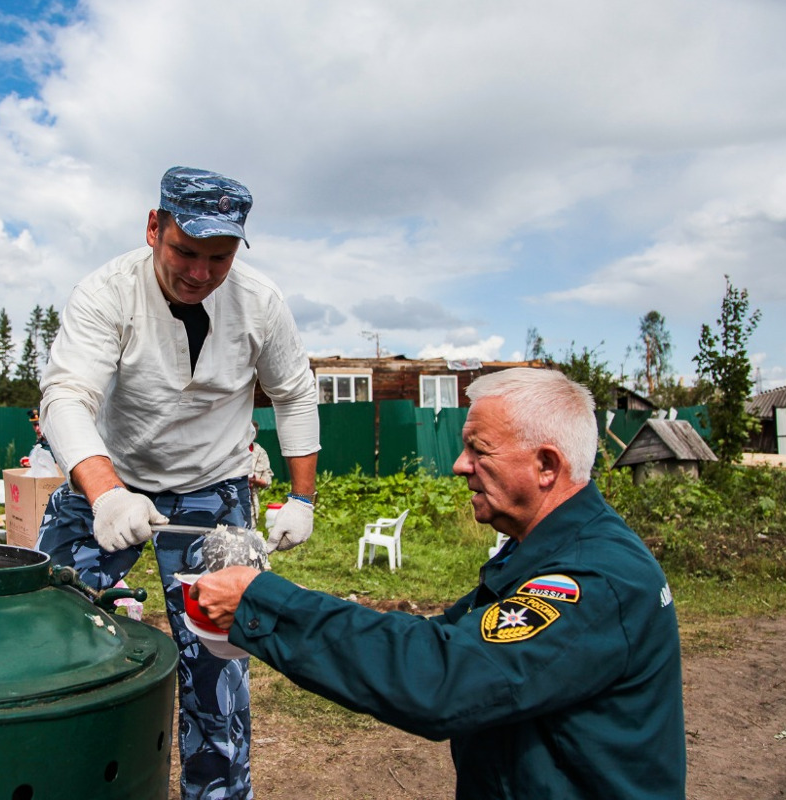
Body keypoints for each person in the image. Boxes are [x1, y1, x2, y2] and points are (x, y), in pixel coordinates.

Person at [193, 368, 686, 799]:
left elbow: (443, 678)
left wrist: (262, 602)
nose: (459, 464)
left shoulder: (593, 579)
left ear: (546, 466)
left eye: (479, 449)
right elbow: (438, 639)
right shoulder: (543, 551)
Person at [37, 166, 321, 800]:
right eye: (185, 251)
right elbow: (65, 397)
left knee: (216, 672)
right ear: (152, 228)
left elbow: (296, 394)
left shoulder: (260, 304)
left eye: (218, 258)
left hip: (214, 493)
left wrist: (301, 497)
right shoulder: (106, 293)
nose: (199, 272)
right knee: (40, 622)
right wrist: (105, 491)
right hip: (110, 482)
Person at [248, 421, 273, 525]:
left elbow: (267, 482)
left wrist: (254, 480)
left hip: (251, 505)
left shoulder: (260, 452)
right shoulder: (232, 449)